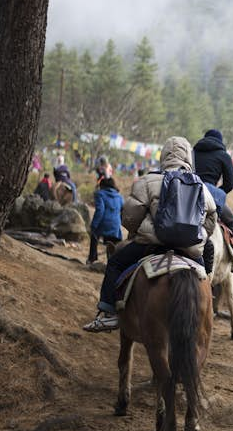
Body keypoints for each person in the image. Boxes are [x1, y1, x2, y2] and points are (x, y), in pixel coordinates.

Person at [83, 136, 217, 332]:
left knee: (115, 264)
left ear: (163, 156)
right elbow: (212, 217)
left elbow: (129, 215)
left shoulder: (148, 180)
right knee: (204, 277)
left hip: (150, 244)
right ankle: (208, 309)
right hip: (190, 249)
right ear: (189, 158)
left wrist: (138, 231)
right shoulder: (201, 186)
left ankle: (109, 313)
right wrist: (200, 235)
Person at [193, 128, 233, 277]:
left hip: (191, 192)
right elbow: (229, 184)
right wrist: (217, 193)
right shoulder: (223, 155)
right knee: (232, 222)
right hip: (211, 194)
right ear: (220, 141)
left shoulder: (193, 152)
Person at [87, 177, 124, 264]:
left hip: (103, 223)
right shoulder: (119, 196)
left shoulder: (100, 194)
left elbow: (100, 210)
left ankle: (92, 259)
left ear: (102, 186)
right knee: (113, 244)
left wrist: (94, 225)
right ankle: (112, 262)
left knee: (94, 235)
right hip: (115, 225)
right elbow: (123, 210)